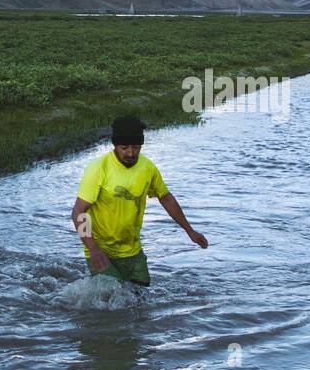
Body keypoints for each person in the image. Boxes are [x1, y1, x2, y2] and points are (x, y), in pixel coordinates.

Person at [71, 114, 208, 286]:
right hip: (101, 252)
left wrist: (190, 231)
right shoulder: (98, 169)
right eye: (124, 147)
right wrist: (93, 249)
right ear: (115, 145)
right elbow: (78, 211)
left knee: (140, 301)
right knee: (114, 299)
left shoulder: (147, 168)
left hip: (133, 252)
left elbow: (166, 198)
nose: (130, 153)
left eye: (136, 147)